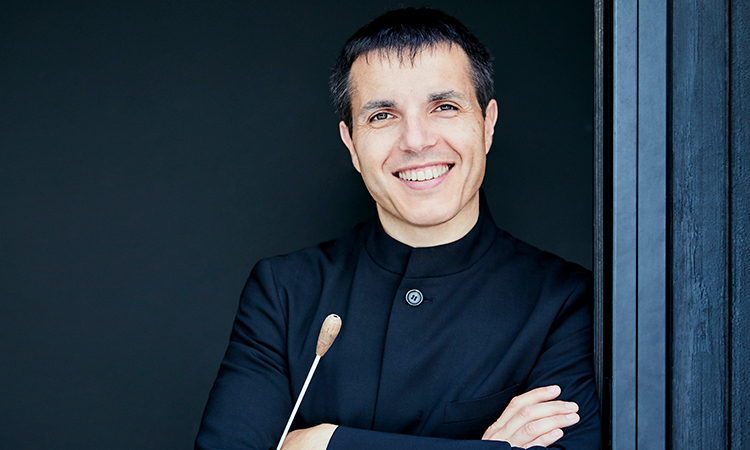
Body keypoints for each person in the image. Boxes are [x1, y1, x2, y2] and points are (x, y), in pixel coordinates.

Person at [195, 7, 600, 450]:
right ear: (352, 144)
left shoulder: (565, 302)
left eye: (444, 107)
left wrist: (323, 443)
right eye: (382, 116)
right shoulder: (284, 292)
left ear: (487, 124)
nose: (416, 140)